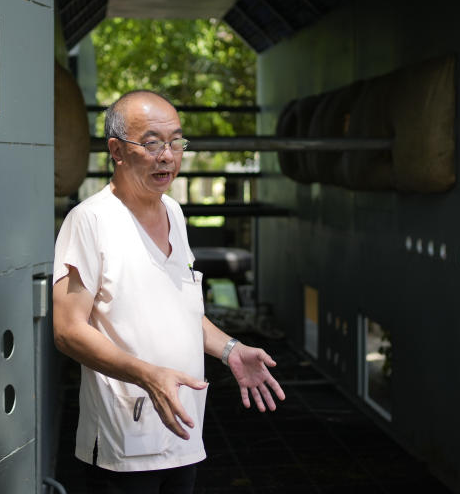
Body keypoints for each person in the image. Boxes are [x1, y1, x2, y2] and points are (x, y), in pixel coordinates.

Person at [52, 90, 285, 492]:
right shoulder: (90, 221)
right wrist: (147, 376)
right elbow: (67, 331)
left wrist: (230, 350)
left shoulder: (173, 212)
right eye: (153, 142)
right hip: (122, 444)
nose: (168, 155)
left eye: (176, 141)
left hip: (183, 434)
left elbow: (182, 310)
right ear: (117, 151)